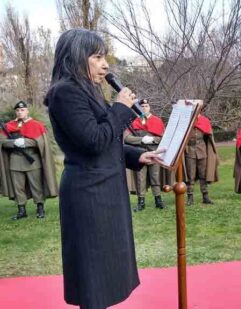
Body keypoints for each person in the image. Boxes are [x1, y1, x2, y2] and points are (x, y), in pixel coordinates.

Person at [45, 28, 163, 309]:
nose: (106, 64)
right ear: (76, 57)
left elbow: (105, 141)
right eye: (97, 57)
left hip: (105, 190)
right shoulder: (65, 93)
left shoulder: (89, 90)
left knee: (107, 270)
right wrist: (120, 108)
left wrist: (137, 157)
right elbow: (94, 141)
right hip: (89, 194)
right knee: (94, 275)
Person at [0, 101, 58, 219]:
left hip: (33, 161)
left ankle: (40, 209)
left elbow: (41, 142)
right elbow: (3, 141)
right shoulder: (9, 125)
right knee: (18, 187)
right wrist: (14, 143)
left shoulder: (37, 125)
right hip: (15, 161)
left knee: (36, 185)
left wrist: (25, 142)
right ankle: (22, 211)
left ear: (27, 111)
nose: (20, 112)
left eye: (22, 110)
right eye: (17, 110)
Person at [124, 99, 166, 211]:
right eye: (142, 106)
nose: (144, 108)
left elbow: (163, 138)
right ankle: (141, 202)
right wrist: (142, 139)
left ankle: (158, 200)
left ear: (149, 107)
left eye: (146, 106)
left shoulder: (157, 121)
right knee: (140, 179)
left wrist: (152, 140)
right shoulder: (133, 121)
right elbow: (126, 138)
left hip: (153, 153)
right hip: (139, 154)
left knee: (155, 177)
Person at [183, 112, 219, 205]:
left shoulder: (204, 121)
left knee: (203, 175)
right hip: (190, 151)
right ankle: (190, 197)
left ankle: (205, 197)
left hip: (202, 151)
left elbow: (209, 136)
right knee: (191, 176)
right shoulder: (186, 121)